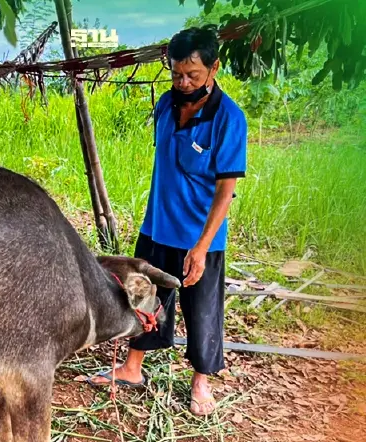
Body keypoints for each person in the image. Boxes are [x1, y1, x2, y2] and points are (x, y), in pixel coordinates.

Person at [89, 25, 248, 416]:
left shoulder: (228, 119)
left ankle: (201, 384)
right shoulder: (164, 104)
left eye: (192, 74)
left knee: (203, 310)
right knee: (145, 300)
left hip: (199, 237)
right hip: (157, 227)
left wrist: (201, 246)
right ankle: (132, 368)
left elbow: (225, 193)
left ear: (213, 68)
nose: (183, 81)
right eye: (177, 73)